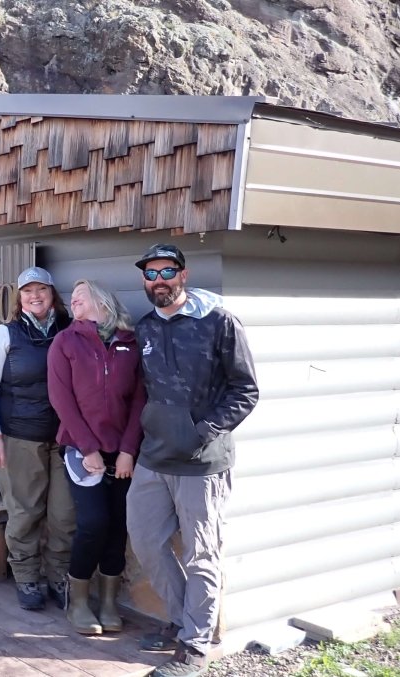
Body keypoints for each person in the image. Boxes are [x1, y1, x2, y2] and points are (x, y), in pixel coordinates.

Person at [127, 244, 258, 677]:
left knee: (203, 553)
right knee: (145, 540)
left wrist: (202, 432)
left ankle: (195, 646)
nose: (158, 279)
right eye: (150, 273)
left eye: (167, 271)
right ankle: (182, 618)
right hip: (155, 456)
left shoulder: (219, 322)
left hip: (203, 462)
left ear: (183, 275)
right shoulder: (145, 328)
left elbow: (246, 390)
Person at [47, 279, 146, 634]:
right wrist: (88, 449)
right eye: (71, 297)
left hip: (121, 452)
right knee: (93, 523)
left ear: (102, 302)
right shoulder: (65, 341)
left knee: (119, 525)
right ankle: (78, 601)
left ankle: (107, 602)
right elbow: (62, 399)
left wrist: (127, 451)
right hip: (80, 449)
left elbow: (139, 402)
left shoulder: (130, 344)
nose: (73, 300)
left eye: (80, 296)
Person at [0, 266, 74, 611]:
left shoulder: (70, 328)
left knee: (64, 514)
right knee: (25, 512)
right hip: (19, 438)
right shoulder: (6, 335)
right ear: (19, 298)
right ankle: (27, 576)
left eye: (41, 290)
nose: (35, 297)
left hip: (64, 439)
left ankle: (59, 576)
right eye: (28, 291)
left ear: (52, 294)